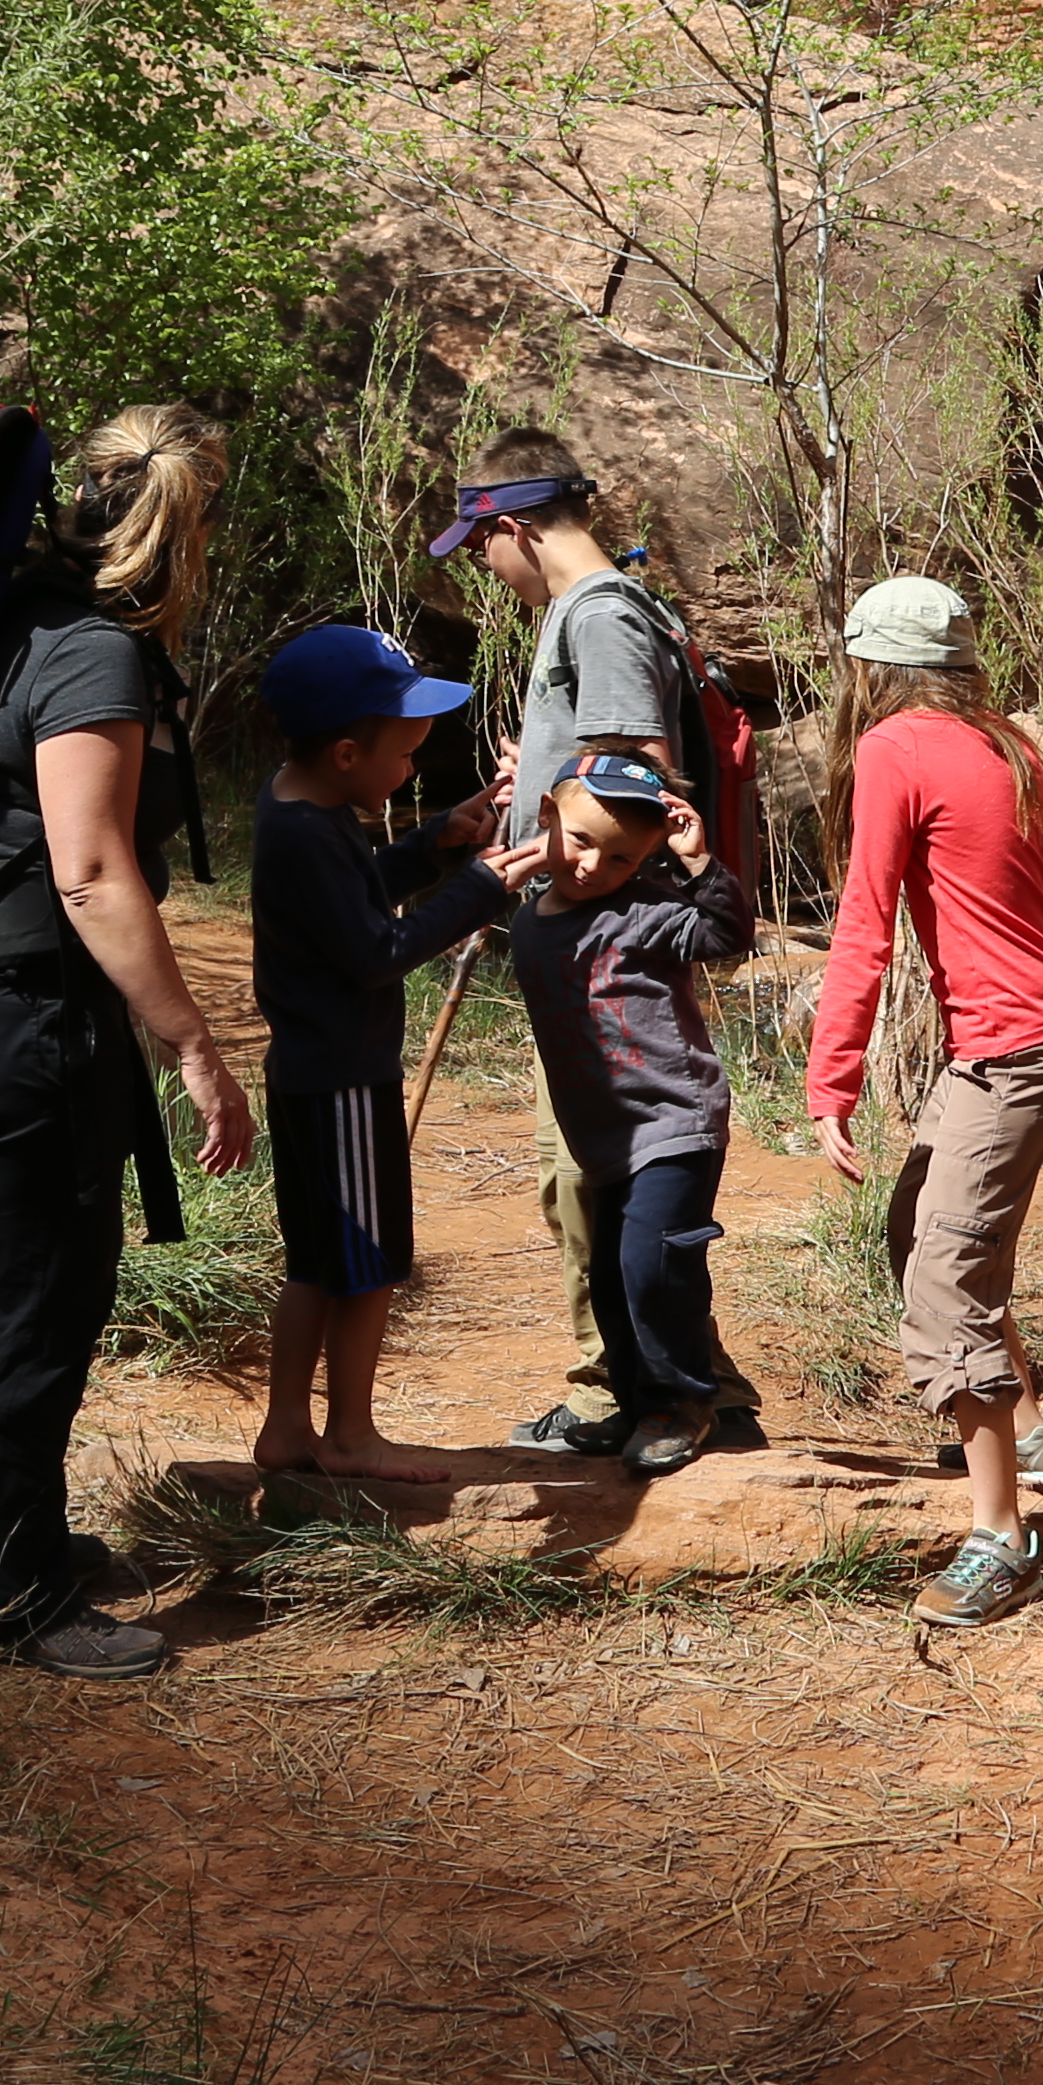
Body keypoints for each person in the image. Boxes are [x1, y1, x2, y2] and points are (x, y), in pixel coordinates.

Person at [0, 400, 249, 1681]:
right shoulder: (91, 653)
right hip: (25, 1012)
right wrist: (193, 1047)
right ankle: (9, 1599)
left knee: (29, 1289)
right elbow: (93, 872)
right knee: (41, 1306)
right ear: (187, 525)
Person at [803, 575, 1043, 1628]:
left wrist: (832, 1081)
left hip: (1016, 1047)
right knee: (919, 1223)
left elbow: (864, 927)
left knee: (948, 1281)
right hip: (1035, 1034)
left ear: (870, 669)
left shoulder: (891, 750)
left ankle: (1004, 1537)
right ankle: (1026, 1427)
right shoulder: (1004, 741)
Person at [428, 429, 691, 1453]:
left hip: (600, 947)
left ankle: (631, 1389)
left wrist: (550, 858)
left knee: (590, 1171)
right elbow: (600, 766)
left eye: (479, 547)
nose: (484, 571)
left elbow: (643, 776)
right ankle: (650, 1374)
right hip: (580, 936)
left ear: (513, 528)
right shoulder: (592, 614)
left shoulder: (600, 617)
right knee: (587, 1169)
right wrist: (537, 775)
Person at [247, 619, 534, 1478]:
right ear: (346, 753)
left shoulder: (298, 806)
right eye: (405, 753)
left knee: (313, 1262)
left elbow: (355, 900)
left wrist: (431, 844)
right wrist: (482, 885)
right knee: (367, 1266)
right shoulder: (311, 829)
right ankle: (352, 1435)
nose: (411, 766)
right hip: (344, 1084)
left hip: (308, 1077)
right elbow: (375, 952)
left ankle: (287, 1428)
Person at [496, 752, 761, 1475]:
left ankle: (684, 1403)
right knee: (608, 1273)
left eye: (619, 857)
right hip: (600, 1136)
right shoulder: (528, 924)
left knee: (654, 1265)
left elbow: (726, 936)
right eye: (579, 841)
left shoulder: (647, 907)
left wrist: (701, 865)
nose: (592, 866)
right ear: (546, 815)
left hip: (675, 1123)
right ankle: (633, 1400)